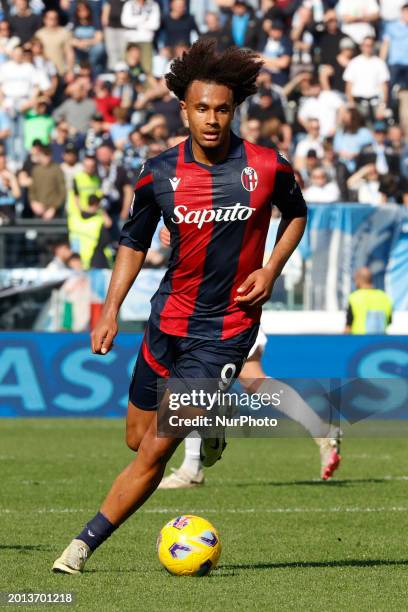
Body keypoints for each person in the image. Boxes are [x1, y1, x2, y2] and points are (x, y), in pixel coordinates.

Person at [52, 38, 307, 574]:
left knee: (155, 454)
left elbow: (297, 214)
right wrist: (108, 311)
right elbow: (132, 241)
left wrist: (271, 268)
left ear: (233, 110)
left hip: (225, 330)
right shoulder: (159, 172)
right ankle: (212, 423)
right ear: (184, 108)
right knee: (135, 439)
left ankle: (81, 547)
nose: (212, 119)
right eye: (202, 108)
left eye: (222, 109)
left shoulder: (266, 166)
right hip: (166, 319)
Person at [345, 267, 392, 334]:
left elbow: (348, 327)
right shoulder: (384, 297)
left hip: (359, 341)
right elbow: (389, 322)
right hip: (380, 341)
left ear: (358, 280)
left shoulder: (354, 297)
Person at [28, 144, 66, 219]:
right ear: (40, 155)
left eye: (48, 154)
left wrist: (53, 208)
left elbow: (62, 191)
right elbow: (31, 190)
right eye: (44, 154)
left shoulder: (57, 169)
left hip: (54, 212)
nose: (46, 157)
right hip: (38, 210)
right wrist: (34, 203)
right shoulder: (36, 170)